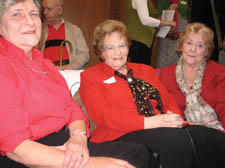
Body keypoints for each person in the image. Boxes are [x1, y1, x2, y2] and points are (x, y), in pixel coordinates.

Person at [0, 0, 152, 167]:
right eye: (17, 14)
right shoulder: (4, 64)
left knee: (137, 153)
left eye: (34, 14)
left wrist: (78, 138)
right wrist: (93, 164)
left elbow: (72, 109)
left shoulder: (45, 65)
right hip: (29, 152)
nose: (29, 21)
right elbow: (15, 148)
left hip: (65, 139)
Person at [80, 19, 212, 168]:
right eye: (110, 48)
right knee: (175, 139)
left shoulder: (144, 70)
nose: (118, 52)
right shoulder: (91, 76)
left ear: (128, 47)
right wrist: (147, 123)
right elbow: (103, 115)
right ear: (102, 51)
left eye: (122, 45)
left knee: (209, 137)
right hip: (120, 133)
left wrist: (174, 119)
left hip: (158, 126)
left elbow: (167, 100)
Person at [158, 22, 225, 167]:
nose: (193, 49)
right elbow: (160, 108)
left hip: (213, 131)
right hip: (179, 131)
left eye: (200, 45)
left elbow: (223, 108)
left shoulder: (218, 72)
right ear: (181, 45)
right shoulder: (164, 74)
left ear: (207, 51)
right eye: (189, 43)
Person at [38, 0, 90, 70]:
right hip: (45, 74)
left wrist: (70, 66)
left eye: (49, 9)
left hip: (69, 74)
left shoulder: (74, 30)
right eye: (43, 9)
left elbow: (84, 54)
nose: (44, 12)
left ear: (60, 10)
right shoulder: (37, 31)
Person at [126, 0, 176, 65]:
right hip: (139, 41)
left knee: (140, 69)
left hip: (143, 41)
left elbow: (154, 19)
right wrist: (169, 23)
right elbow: (145, 20)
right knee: (139, 71)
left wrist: (169, 10)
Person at [156, 0, 188, 68]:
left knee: (180, 66)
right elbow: (156, 21)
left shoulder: (185, 2)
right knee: (162, 66)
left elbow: (189, 21)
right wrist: (168, 11)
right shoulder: (161, 2)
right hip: (165, 40)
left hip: (181, 39)